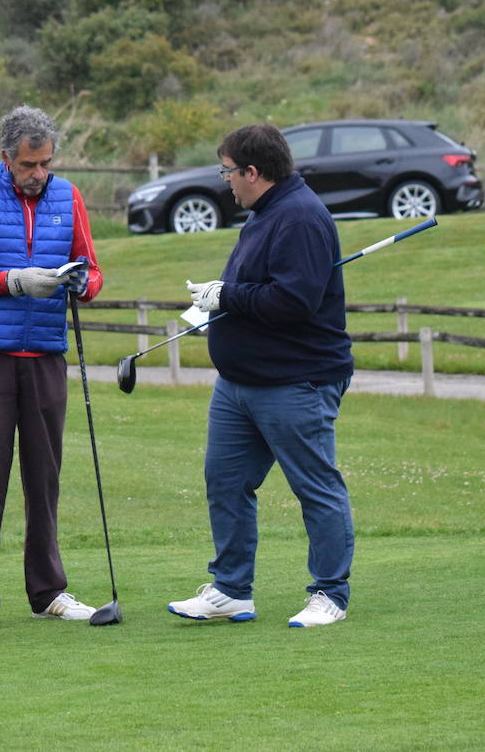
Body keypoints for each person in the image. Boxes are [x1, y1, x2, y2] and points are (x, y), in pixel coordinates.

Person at [166, 123, 355, 628]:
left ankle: (330, 593)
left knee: (314, 486)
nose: (225, 181)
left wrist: (226, 295)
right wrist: (220, 295)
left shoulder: (300, 218)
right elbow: (260, 287)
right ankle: (231, 589)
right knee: (225, 481)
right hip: (240, 383)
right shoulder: (267, 213)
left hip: (297, 380)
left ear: (253, 171)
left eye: (228, 171)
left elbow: (294, 302)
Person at [0, 104, 104, 630]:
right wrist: (14, 281)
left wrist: (84, 284)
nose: (39, 174)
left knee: (44, 476)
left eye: (46, 164)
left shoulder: (67, 195)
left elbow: (93, 270)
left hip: (45, 358)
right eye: (29, 165)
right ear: (6, 157)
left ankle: (49, 591)